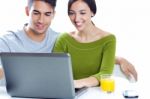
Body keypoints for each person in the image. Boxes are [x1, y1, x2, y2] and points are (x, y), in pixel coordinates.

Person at [0, 0, 137, 82]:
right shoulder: (7, 41)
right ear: (27, 11)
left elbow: (83, 54)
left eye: (47, 14)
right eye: (36, 13)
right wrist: (16, 69)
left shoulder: (58, 39)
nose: (41, 20)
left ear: (54, 14)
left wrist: (118, 59)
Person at [53, 0, 137, 88]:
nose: (76, 18)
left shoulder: (108, 39)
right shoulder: (63, 39)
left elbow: (105, 73)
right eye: (72, 13)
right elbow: (56, 70)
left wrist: (76, 83)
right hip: (67, 92)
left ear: (92, 12)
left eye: (82, 13)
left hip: (96, 94)